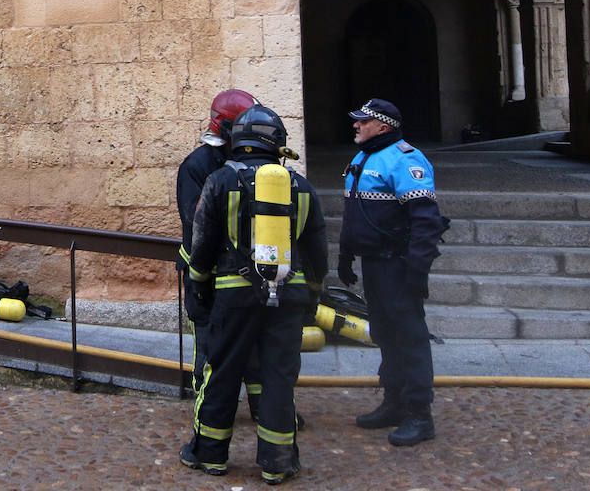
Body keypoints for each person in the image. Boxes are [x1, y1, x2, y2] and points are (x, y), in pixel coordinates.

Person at [180, 105, 327, 485]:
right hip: (289, 299)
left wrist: (198, 285)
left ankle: (209, 455)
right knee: (279, 378)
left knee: (222, 371)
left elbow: (203, 243)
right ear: (278, 143)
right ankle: (277, 462)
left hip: (234, 297)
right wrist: (312, 296)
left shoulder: (219, 181)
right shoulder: (301, 187)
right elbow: (317, 252)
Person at [336, 98, 446, 447]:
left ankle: (419, 414)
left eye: (362, 121)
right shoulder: (363, 156)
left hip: (397, 265)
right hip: (374, 264)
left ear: (382, 126)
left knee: (409, 339)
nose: (355, 125)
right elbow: (355, 213)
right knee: (384, 333)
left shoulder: (405, 159)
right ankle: (395, 403)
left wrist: (417, 272)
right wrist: (346, 254)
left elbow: (425, 222)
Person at [176, 88, 256, 392]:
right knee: (209, 343)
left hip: (246, 270)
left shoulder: (250, 160)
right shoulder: (196, 166)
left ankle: (265, 408)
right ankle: (208, 408)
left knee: (254, 343)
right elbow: (196, 222)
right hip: (205, 275)